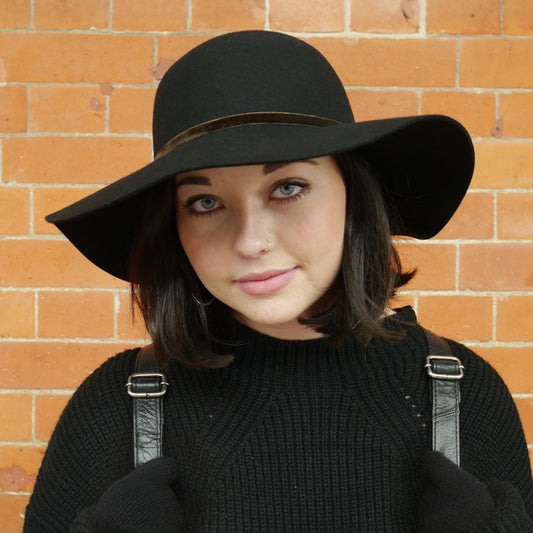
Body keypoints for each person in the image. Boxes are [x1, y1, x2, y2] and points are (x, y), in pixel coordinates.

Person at [24, 31, 533, 532]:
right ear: (173, 226)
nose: (251, 241)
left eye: (288, 188)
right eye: (205, 202)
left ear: (354, 195)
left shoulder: (465, 398)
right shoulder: (114, 409)